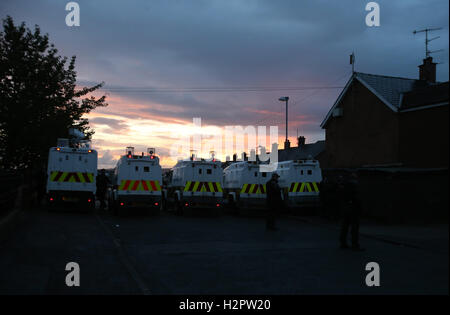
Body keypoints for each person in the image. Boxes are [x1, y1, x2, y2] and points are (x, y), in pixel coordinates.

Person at [339, 172, 364, 251]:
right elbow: (356, 199)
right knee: (354, 227)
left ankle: (343, 243)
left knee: (345, 226)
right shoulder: (353, 186)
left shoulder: (344, 186)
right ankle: (355, 244)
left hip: (346, 208)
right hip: (353, 209)